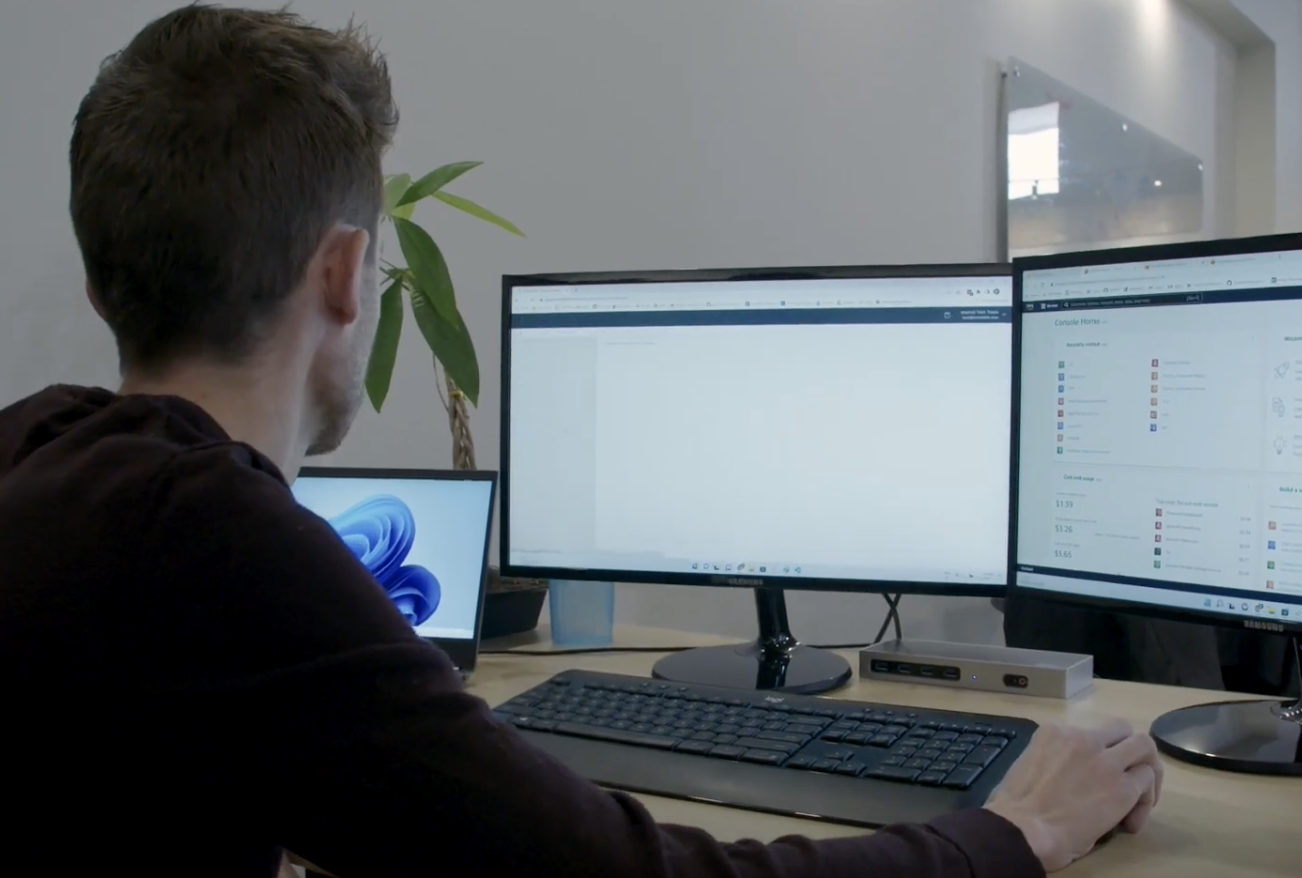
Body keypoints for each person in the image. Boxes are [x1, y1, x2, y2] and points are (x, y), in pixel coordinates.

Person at [0, 6, 1162, 878]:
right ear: (347, 272)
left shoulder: (41, 457)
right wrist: (1016, 830)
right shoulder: (208, 541)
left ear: (105, 287)